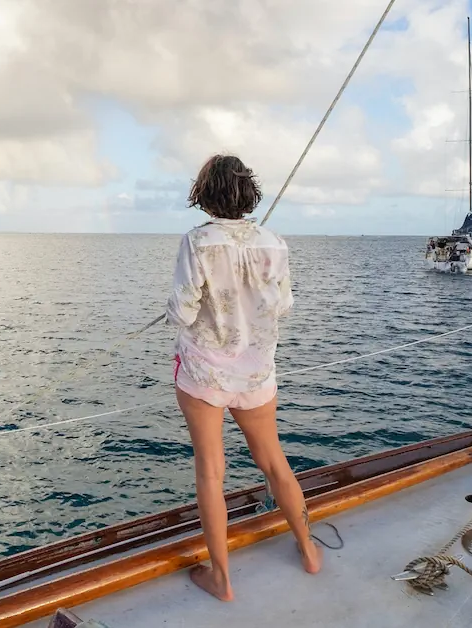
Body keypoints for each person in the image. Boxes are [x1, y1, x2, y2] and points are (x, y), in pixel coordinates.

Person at [165, 154, 320, 602]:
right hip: (256, 373)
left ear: (205, 194)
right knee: (274, 462)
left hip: (204, 374)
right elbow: (283, 305)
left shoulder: (197, 243)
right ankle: (308, 550)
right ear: (247, 192)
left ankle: (222, 580)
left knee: (211, 474)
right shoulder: (274, 243)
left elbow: (183, 311)